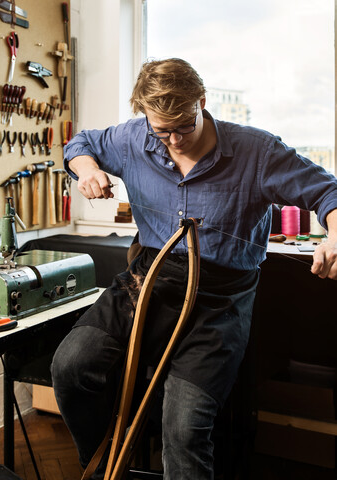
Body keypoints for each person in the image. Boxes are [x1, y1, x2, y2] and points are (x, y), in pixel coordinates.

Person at [52, 58, 337, 479]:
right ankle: (105, 471)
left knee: (184, 428)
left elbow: (328, 192)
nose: (174, 140)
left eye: (184, 126)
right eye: (161, 130)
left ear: (202, 102)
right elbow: (78, 145)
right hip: (150, 276)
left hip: (222, 295)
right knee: (71, 366)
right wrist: (88, 169)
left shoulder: (258, 151)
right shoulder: (133, 137)